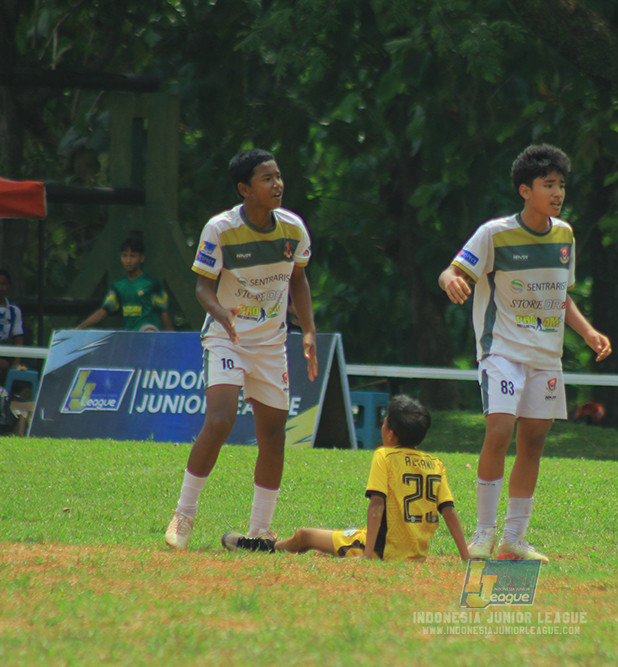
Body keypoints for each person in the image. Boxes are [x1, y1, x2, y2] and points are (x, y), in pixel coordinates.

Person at [438, 143, 612, 563]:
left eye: (561, 185)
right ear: (524, 190)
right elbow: (452, 270)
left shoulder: (565, 235)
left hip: (546, 357)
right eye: (547, 184)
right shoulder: (494, 233)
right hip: (502, 351)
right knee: (499, 431)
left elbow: (561, 295)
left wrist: (588, 333)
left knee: (532, 442)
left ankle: (514, 539)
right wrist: (450, 282)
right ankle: (483, 534)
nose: (557, 193)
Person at [164, 148, 319, 550]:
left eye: (279, 176)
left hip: (270, 343)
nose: (278, 184)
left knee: (272, 435)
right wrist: (222, 314)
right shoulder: (220, 229)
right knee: (220, 420)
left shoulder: (293, 229)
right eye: (267, 179)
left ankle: (260, 530)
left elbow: (298, 279)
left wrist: (308, 331)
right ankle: (183, 515)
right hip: (226, 335)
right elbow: (202, 286)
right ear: (244, 189)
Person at [221, 394, 471, 562]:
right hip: (413, 553)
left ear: (391, 434)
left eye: (384, 423)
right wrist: (466, 558)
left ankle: (259, 547)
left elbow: (376, 507)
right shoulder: (435, 463)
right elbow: (448, 512)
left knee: (304, 535)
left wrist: (368, 556)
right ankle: (335, 549)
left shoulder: (385, 456)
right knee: (333, 541)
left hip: (384, 552)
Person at [75, 231, 173, 332]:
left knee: (148, 330)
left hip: (148, 333)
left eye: (132, 256)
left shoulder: (152, 284)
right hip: (129, 335)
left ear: (141, 258)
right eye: (125, 256)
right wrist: (79, 328)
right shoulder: (118, 286)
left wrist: (172, 338)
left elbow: (163, 312)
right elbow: (104, 311)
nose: (128, 260)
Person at [0, 269, 25, 383]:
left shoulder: (14, 310)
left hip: (5, 352)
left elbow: (18, 338)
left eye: (3, 284)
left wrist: (17, 361)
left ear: (8, 286)